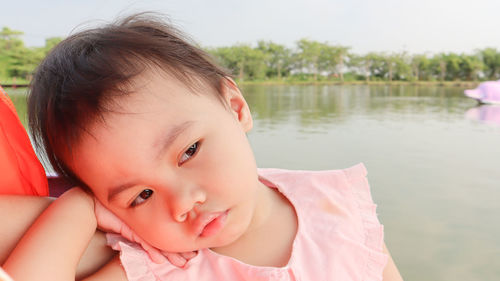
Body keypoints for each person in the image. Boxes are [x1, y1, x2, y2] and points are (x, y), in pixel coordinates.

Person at [14, 13, 403, 280]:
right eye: (142, 195)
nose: (183, 203)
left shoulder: (335, 203)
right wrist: (79, 207)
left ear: (235, 107)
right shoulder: (161, 266)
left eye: (189, 151)